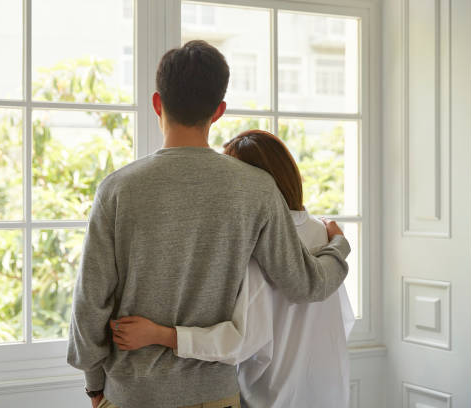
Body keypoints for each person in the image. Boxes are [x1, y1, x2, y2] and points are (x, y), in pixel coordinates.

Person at [66, 40, 351, 408]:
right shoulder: (256, 189)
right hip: (215, 397)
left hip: (133, 394)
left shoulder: (118, 189)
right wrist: (339, 246)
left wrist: (94, 385)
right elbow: (305, 283)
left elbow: (89, 303)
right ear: (218, 111)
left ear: (157, 103)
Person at [111, 130, 356, 408]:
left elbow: (240, 341)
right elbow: (342, 321)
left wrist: (160, 334)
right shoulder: (323, 232)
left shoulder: (254, 243)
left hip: (272, 397)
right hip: (330, 391)